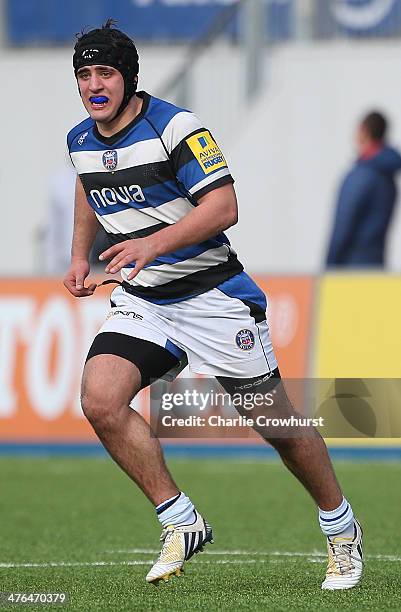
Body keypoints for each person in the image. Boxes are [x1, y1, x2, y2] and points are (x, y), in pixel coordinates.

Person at [64, 20, 363, 589]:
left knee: (278, 426)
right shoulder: (81, 138)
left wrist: (151, 244)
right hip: (146, 301)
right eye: (83, 75)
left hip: (213, 297)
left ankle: (341, 528)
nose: (94, 85)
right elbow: (86, 184)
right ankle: (181, 520)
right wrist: (80, 256)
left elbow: (223, 207)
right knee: (100, 399)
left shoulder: (177, 127)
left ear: (128, 78)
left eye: (105, 73)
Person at [326, 111, 401, 267]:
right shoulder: (388, 177)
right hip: (376, 265)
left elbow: (343, 227)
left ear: (363, 131)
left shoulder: (361, 176)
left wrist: (329, 266)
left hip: (350, 268)